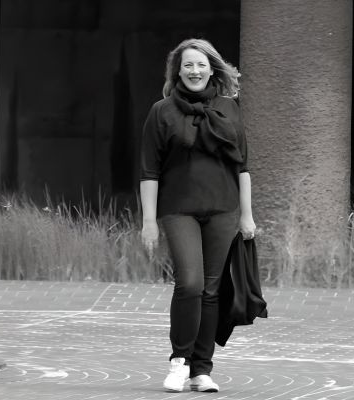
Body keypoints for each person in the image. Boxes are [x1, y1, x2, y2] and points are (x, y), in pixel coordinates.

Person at [139, 38, 256, 393]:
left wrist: (247, 215)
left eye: (201, 64)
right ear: (178, 71)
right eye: (188, 65)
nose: (194, 71)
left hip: (223, 209)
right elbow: (149, 171)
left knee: (211, 289)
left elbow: (242, 167)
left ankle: (202, 370)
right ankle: (180, 362)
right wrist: (148, 222)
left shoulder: (229, 108)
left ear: (211, 68)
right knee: (189, 283)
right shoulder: (161, 111)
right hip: (178, 210)